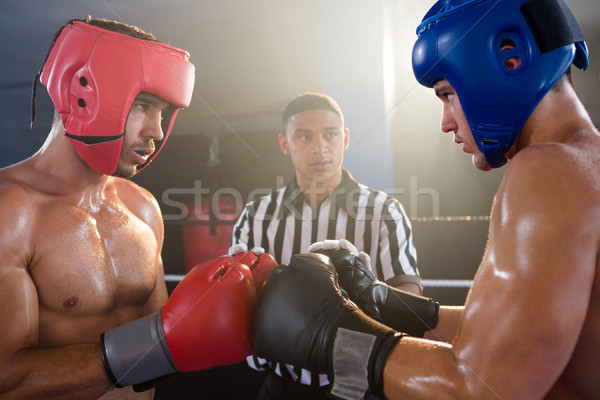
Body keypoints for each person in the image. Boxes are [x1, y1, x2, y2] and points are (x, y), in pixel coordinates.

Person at [252, 0, 600, 399]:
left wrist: (328, 335)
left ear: (510, 58)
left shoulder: (547, 169)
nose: (446, 121)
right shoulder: (586, 163)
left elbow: (480, 391)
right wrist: (381, 302)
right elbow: (513, 337)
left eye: (448, 94)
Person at [0, 17, 277, 400]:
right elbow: (7, 379)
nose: (157, 131)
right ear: (82, 92)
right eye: (143, 105)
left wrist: (246, 308)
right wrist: (163, 341)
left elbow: (162, 350)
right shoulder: (11, 212)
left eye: (163, 112)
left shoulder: (142, 208)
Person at [232, 92, 422, 399]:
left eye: (330, 135)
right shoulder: (256, 215)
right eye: (304, 137)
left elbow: (408, 299)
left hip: (360, 384)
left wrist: (368, 299)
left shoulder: (384, 211)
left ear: (345, 138)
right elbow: (237, 304)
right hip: (280, 385)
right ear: (285, 143)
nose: (319, 147)